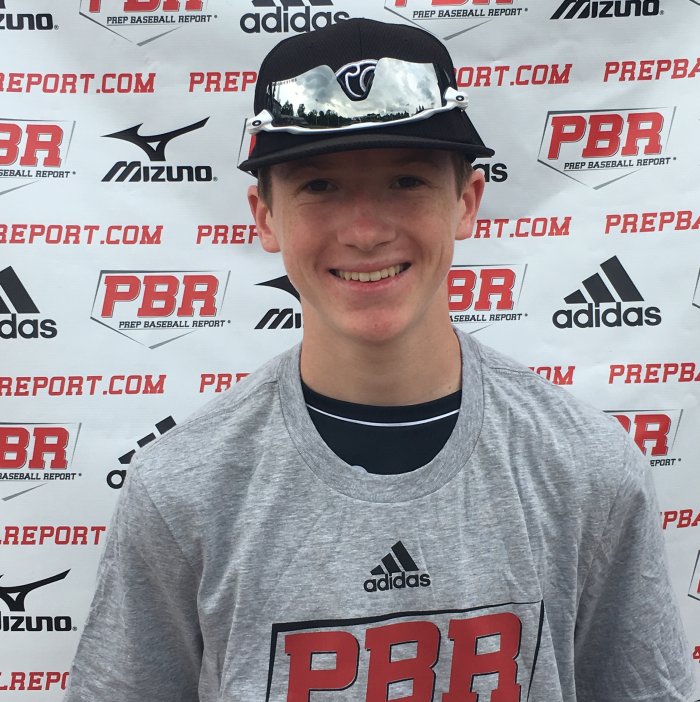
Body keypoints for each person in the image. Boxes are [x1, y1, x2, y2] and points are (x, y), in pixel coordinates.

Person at [66, 18, 694, 702]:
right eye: (319, 186)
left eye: (405, 180)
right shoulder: (182, 488)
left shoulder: (588, 469)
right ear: (265, 216)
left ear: (467, 201)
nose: (365, 231)